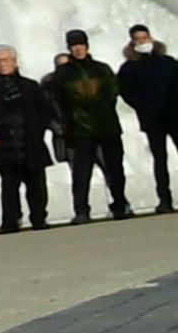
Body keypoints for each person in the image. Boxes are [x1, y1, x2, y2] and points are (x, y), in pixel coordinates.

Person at [45, 33, 128, 223]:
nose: (78, 49)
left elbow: (113, 91)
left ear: (87, 46)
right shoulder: (62, 74)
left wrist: (101, 108)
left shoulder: (101, 69)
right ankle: (81, 210)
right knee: (81, 173)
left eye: (81, 45)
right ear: (69, 48)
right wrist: (67, 120)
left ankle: (120, 205)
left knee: (115, 169)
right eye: (74, 46)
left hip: (107, 126)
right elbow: (54, 99)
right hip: (79, 130)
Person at [0, 48, 57, 232]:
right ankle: (11, 222)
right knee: (9, 187)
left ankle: (39, 218)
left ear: (15, 61)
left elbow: (45, 111)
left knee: (36, 185)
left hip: (30, 143)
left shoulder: (30, 86)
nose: (2, 64)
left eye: (6, 60)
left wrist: (37, 131)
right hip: (4, 145)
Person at [117, 26, 178, 216]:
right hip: (152, 120)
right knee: (160, 160)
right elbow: (126, 92)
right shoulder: (129, 68)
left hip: (176, 116)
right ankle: (164, 200)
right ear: (133, 42)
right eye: (138, 39)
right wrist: (142, 107)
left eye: (145, 38)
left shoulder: (168, 62)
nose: (143, 42)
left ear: (151, 38)